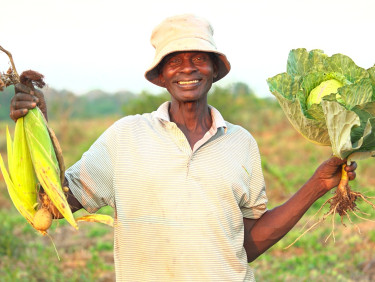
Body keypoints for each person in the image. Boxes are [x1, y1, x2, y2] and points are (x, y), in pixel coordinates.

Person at [10, 14, 357, 282]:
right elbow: (55, 205)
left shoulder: (241, 142)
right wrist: (36, 125)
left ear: (214, 71)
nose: (188, 69)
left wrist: (319, 184)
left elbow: (247, 244)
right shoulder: (125, 136)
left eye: (199, 58)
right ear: (160, 76)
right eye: (175, 61)